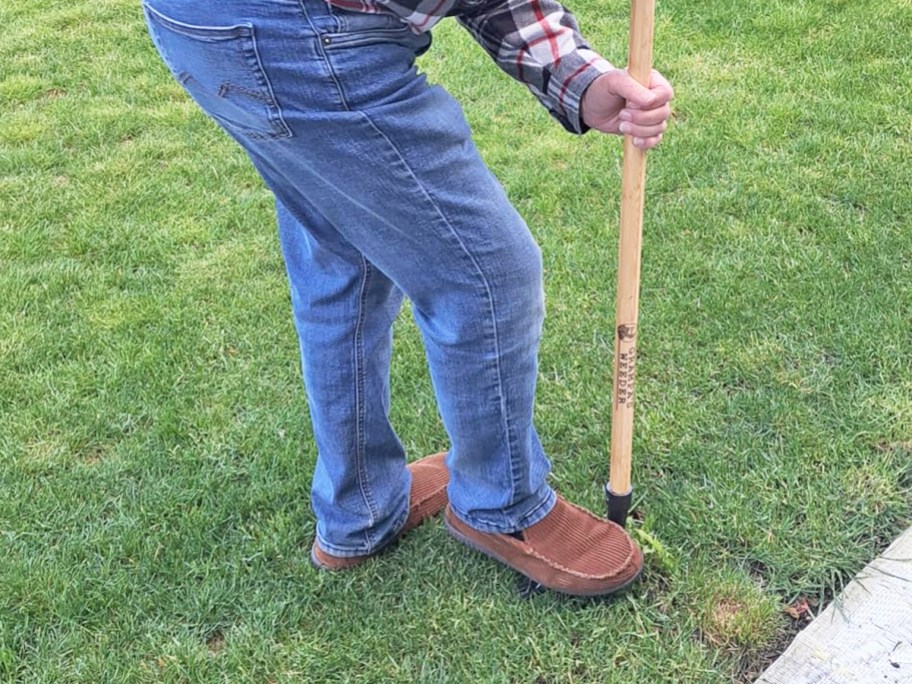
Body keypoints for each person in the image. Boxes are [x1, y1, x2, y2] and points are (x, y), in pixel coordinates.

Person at [142, 0, 673, 596]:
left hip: (206, 24)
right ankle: (503, 506)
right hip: (294, 37)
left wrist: (579, 78)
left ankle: (360, 507)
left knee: (344, 255)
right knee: (486, 273)